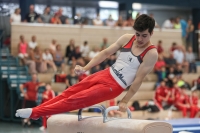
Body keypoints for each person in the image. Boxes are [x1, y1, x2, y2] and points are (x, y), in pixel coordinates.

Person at [15, 14, 158, 120]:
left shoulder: (151, 53)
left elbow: (138, 79)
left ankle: (36, 113)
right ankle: (36, 111)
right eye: (137, 34)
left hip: (114, 86)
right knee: (69, 92)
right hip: (105, 73)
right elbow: (105, 53)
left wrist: (125, 100)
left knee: (76, 99)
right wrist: (85, 67)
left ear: (151, 33)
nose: (139, 39)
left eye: (144, 36)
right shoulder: (127, 38)